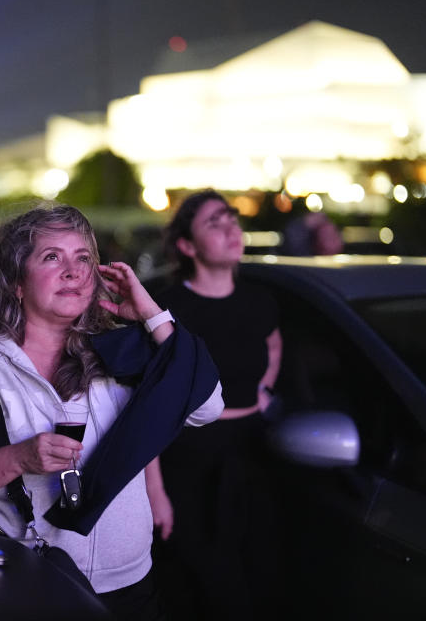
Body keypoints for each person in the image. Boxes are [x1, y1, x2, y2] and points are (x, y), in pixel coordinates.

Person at [0, 204, 223, 620]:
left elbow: (208, 407)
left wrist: (151, 316)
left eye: (83, 259)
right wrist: (17, 458)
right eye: (51, 257)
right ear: (16, 282)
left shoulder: (124, 351)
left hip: (130, 586)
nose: (74, 271)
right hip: (29, 583)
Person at [147, 189, 284, 620]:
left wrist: (263, 391)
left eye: (231, 217)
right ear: (187, 246)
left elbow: (273, 346)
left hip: (253, 450)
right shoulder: (169, 309)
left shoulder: (260, 300)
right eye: (214, 222)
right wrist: (155, 492)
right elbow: (145, 404)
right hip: (189, 460)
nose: (230, 227)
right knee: (205, 591)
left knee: (258, 579)